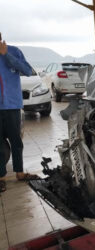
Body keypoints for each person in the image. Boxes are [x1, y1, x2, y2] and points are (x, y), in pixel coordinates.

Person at [0, 32, 39, 192]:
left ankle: (20, 173)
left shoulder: (14, 51)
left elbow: (27, 70)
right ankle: (1, 177)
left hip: (12, 106)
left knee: (16, 142)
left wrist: (6, 54)